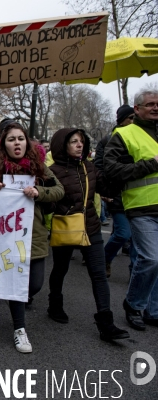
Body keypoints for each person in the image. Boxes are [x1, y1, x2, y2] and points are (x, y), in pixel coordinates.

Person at [0, 123, 64, 352]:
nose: (17, 143)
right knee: (17, 285)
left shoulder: (39, 167)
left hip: (33, 234)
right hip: (5, 236)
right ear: (4, 145)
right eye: (11, 139)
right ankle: (19, 330)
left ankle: (15, 299)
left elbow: (59, 190)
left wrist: (39, 192)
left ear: (28, 142)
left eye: (21, 139)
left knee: (34, 285)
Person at [47, 128, 129, 342]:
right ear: (62, 145)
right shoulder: (52, 171)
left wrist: (121, 169)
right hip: (66, 227)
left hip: (90, 228)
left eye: (81, 141)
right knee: (60, 268)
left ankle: (106, 323)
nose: (79, 145)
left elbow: (108, 190)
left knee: (99, 274)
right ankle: (54, 303)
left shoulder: (89, 167)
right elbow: (48, 203)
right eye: (73, 141)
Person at [104, 89, 158, 330]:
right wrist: (152, 164)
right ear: (136, 109)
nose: (155, 108)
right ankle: (134, 304)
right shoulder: (124, 135)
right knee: (151, 258)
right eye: (150, 104)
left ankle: (153, 311)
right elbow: (112, 171)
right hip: (141, 207)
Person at [94, 104, 137, 278]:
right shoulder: (107, 141)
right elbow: (99, 168)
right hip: (117, 196)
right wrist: (105, 191)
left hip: (139, 196)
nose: (133, 122)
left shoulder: (140, 138)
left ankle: (135, 272)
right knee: (122, 234)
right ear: (121, 120)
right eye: (130, 118)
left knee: (137, 240)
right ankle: (105, 258)